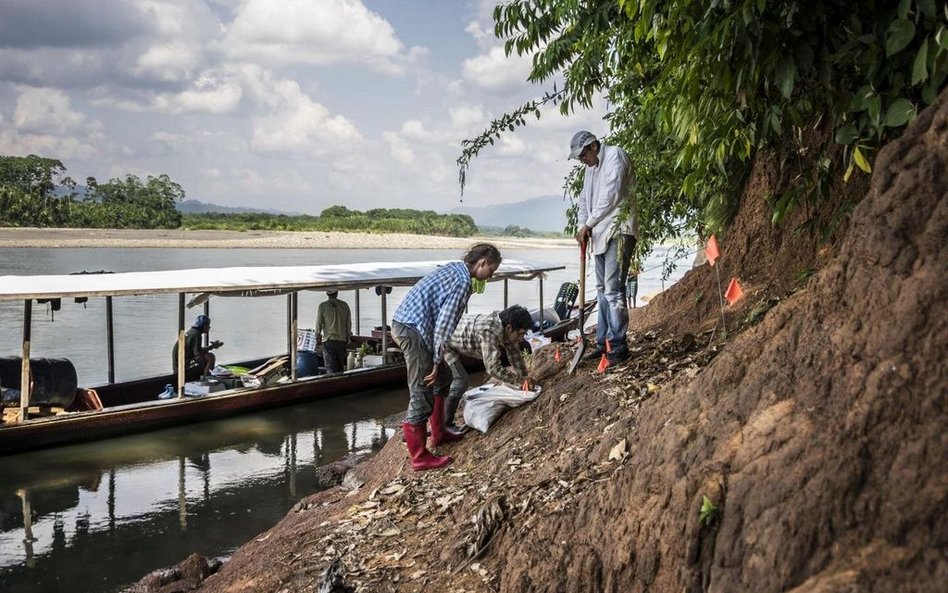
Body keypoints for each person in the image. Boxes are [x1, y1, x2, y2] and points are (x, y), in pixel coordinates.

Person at [391, 243, 502, 471]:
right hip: (412, 329)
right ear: (481, 263)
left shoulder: (456, 268)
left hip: (412, 324)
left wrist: (437, 361)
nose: (490, 277)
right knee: (422, 388)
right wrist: (436, 358)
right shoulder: (462, 283)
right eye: (490, 271)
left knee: (443, 378)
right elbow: (445, 324)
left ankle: (439, 432)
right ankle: (419, 457)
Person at [569, 130, 637, 370]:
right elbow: (583, 203)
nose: (582, 160)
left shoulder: (614, 156)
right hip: (598, 235)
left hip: (619, 230)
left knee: (613, 290)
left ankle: (618, 346)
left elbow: (611, 194)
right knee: (601, 291)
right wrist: (582, 226)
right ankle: (603, 342)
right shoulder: (589, 171)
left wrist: (589, 223)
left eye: (583, 154)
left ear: (593, 146)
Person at [444, 304, 535, 430]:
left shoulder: (506, 328)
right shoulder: (489, 331)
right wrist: (519, 381)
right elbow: (492, 368)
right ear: (509, 328)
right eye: (520, 334)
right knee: (460, 381)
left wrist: (524, 377)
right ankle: (446, 424)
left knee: (457, 381)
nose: (521, 338)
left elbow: (515, 355)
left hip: (459, 337)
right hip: (446, 342)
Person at [171, 314, 222, 380]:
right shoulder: (196, 334)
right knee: (210, 357)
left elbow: (197, 351)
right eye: (208, 325)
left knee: (206, 356)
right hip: (181, 366)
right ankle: (207, 377)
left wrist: (211, 347)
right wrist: (211, 347)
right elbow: (197, 353)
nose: (209, 327)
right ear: (203, 326)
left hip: (181, 363)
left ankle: (205, 374)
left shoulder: (192, 331)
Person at [314, 291, 352, 374]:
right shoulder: (344, 305)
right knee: (340, 366)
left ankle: (332, 384)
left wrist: (317, 337)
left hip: (329, 340)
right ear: (337, 293)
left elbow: (318, 323)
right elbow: (348, 324)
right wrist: (348, 337)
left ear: (327, 294)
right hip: (342, 340)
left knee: (330, 367)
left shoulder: (323, 306)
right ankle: (340, 384)